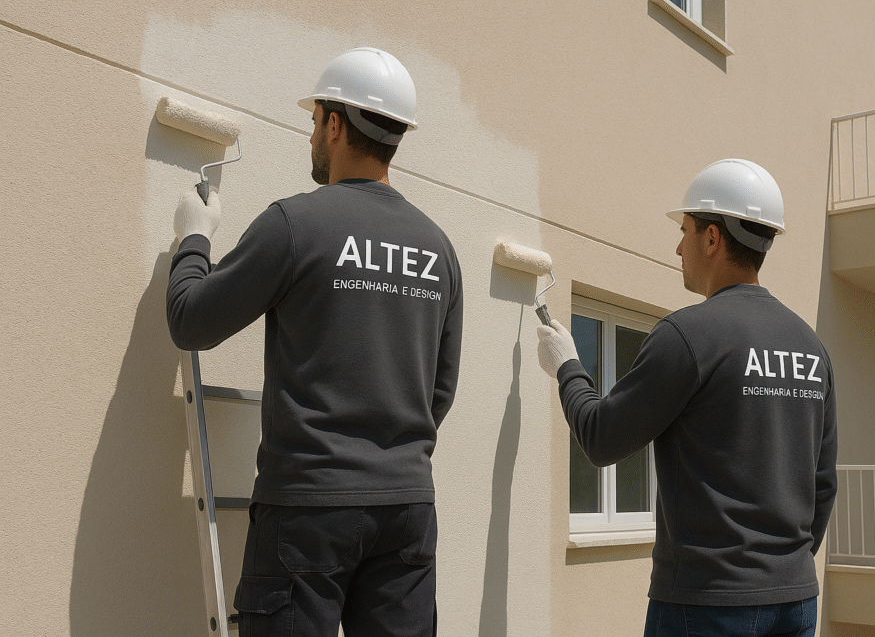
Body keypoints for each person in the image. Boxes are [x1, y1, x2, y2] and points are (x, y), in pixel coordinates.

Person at [167, 47, 463, 637]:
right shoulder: (438, 249)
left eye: (312, 123)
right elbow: (441, 390)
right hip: (405, 510)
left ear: (335, 123)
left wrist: (193, 239)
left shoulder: (296, 224)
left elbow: (191, 321)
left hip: (309, 510)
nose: (310, 138)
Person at [536, 159, 837, 637]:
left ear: (713, 238)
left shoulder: (688, 335)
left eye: (686, 230)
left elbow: (600, 437)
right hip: (795, 601)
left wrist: (567, 366)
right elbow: (822, 485)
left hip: (708, 605)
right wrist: (781, 569)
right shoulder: (810, 347)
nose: (679, 247)